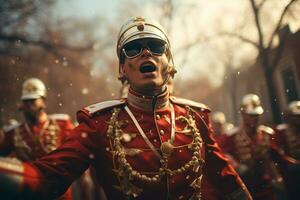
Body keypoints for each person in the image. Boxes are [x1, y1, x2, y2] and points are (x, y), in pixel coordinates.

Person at [0, 17, 252, 200]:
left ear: (169, 63)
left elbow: (227, 181)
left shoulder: (196, 117)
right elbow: (47, 177)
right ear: (122, 69)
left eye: (156, 46)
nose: (145, 52)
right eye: (132, 49)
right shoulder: (98, 123)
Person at [0, 78, 74, 200]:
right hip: (27, 193)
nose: (29, 105)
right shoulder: (12, 132)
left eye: (33, 100)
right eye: (26, 101)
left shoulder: (62, 125)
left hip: (58, 193)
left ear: (43, 101)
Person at [220, 94, 287, 200]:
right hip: (245, 189)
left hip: (267, 188)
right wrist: (236, 165)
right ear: (243, 114)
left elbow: (279, 158)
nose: (254, 118)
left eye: (256, 115)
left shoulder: (267, 134)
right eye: (251, 115)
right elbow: (222, 157)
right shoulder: (230, 137)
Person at [273, 101, 300, 200]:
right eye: (295, 116)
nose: (298, 119)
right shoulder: (281, 132)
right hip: (290, 172)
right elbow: (277, 152)